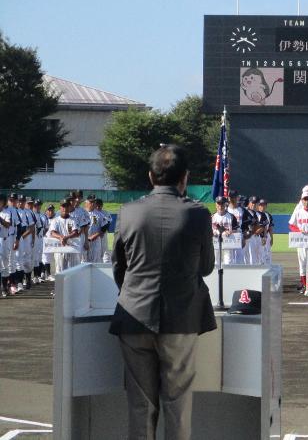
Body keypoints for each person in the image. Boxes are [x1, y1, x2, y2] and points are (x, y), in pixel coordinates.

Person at [109, 144, 216, 440]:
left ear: (150, 176)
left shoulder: (128, 212)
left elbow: (119, 267)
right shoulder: (197, 214)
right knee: (177, 402)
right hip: (181, 320)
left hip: (134, 315)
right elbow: (206, 266)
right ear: (185, 178)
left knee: (140, 405)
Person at [48, 198, 82, 273]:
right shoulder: (55, 220)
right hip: (59, 249)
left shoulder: (73, 220)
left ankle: (71, 285)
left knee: (72, 269)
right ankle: (60, 285)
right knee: (60, 270)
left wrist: (66, 237)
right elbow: (52, 233)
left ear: (69, 207)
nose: (65, 209)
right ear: (60, 207)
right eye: (63, 206)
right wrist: (60, 237)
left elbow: (75, 232)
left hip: (71, 248)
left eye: (66, 206)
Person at [212, 196, 238, 269]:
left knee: (228, 262)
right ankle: (216, 279)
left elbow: (236, 229)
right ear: (216, 205)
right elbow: (208, 230)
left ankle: (228, 278)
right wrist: (212, 232)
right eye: (218, 204)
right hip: (215, 242)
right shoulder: (212, 217)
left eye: (222, 204)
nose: (220, 206)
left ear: (225, 204)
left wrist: (231, 232)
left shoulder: (231, 216)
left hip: (228, 242)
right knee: (215, 262)